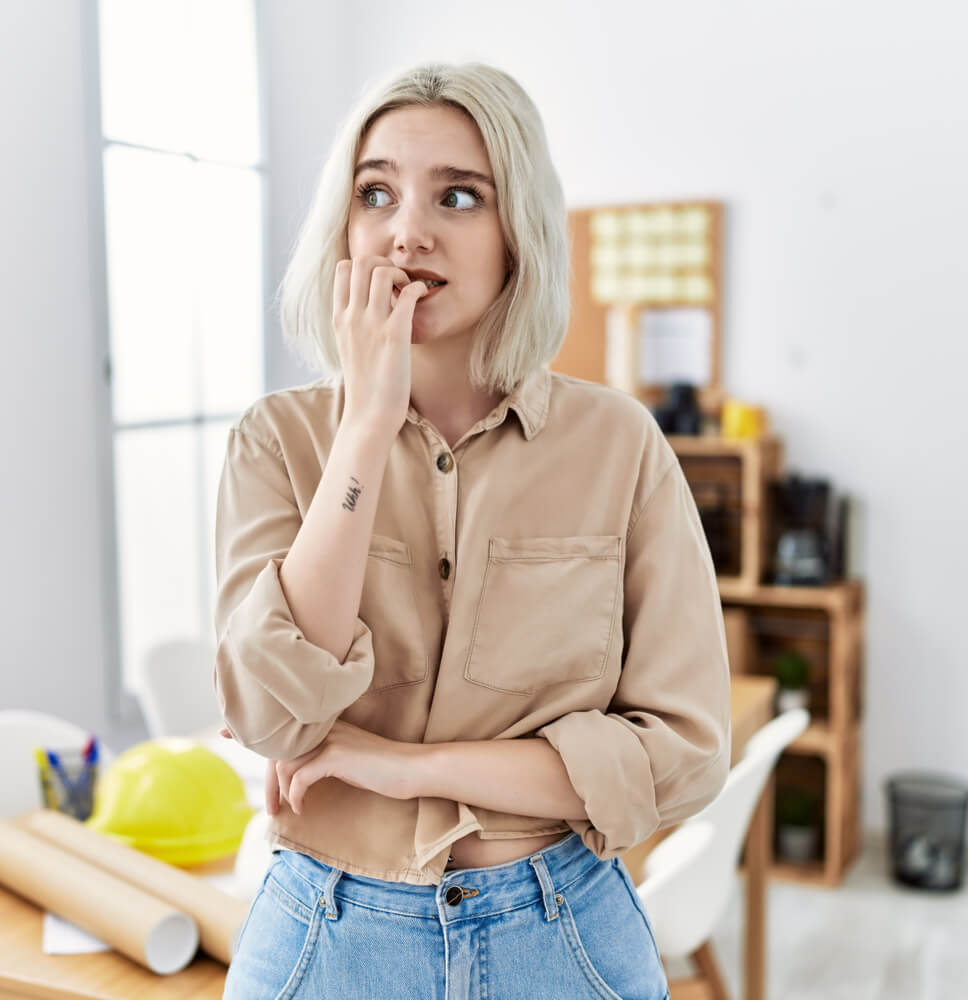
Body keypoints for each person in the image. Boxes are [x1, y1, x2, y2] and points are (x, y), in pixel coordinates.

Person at [214, 60, 731, 999]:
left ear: (517, 232)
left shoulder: (619, 444)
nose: (407, 231)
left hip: (564, 934)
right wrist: (365, 430)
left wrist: (406, 770)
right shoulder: (277, 441)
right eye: (376, 193)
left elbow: (683, 755)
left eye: (458, 195)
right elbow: (274, 714)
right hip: (327, 937)